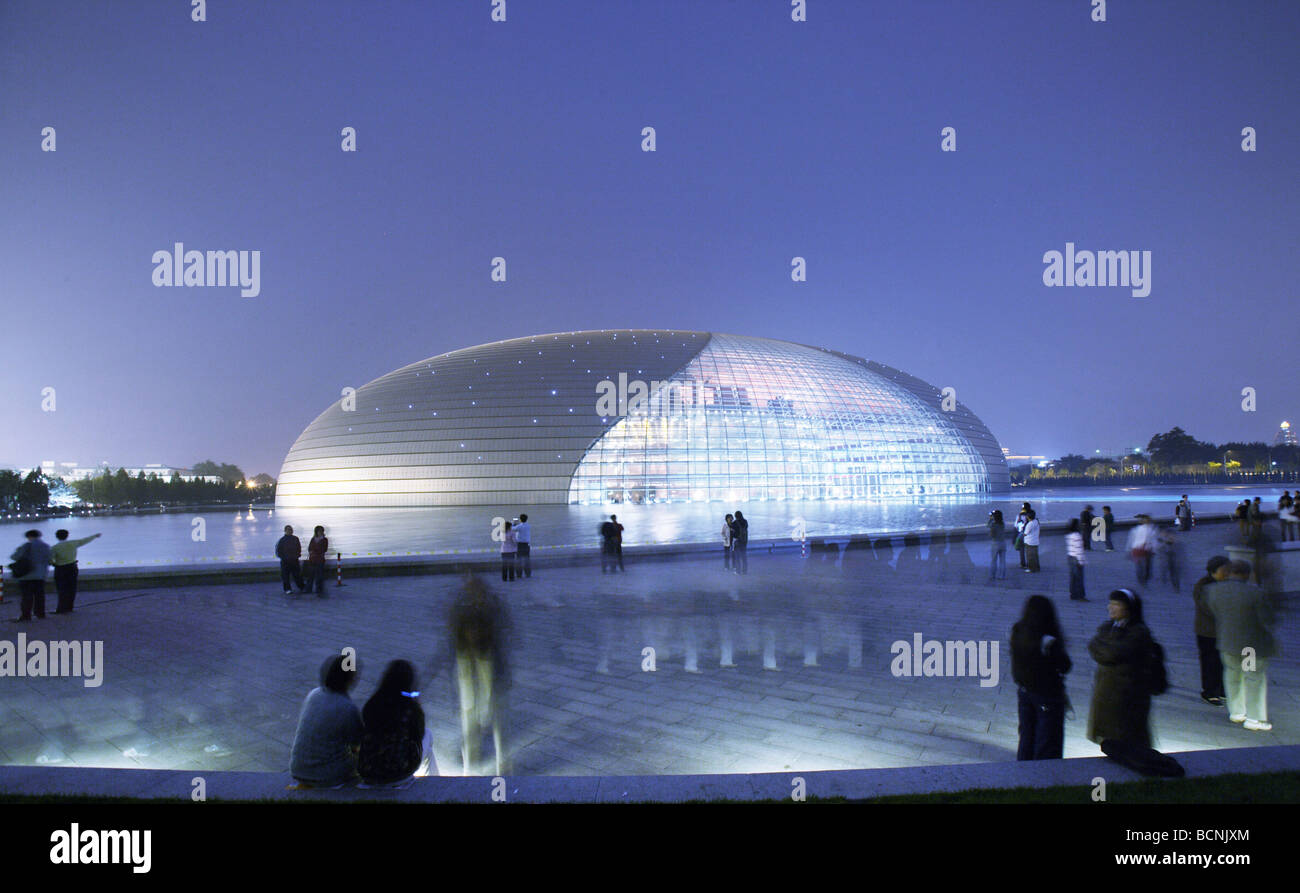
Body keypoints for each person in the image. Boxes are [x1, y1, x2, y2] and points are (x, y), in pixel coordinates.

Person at [1204, 560, 1278, 731]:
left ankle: (1237, 712)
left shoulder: (1213, 591)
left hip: (1227, 642)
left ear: (1230, 572)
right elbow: (1268, 619)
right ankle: (1254, 718)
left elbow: (1213, 612)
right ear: (1247, 574)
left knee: (1232, 675)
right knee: (1252, 678)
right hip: (1249, 646)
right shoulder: (1255, 593)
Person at [449, 575, 510, 774]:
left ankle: (495, 761)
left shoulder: (476, 610)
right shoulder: (474, 609)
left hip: (484, 660)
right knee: (475, 715)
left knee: (490, 715)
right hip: (475, 659)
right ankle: (479, 761)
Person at [1087, 590, 1155, 749]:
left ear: (1129, 608)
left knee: (1127, 737)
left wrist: (1103, 647)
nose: (1111, 607)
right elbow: (1093, 646)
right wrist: (1103, 648)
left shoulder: (1138, 632)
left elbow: (1111, 653)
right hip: (1107, 691)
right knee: (1110, 736)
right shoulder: (1108, 626)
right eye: (1110, 603)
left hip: (1127, 694)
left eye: (1116, 604)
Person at [289, 654, 364, 788]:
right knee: (366, 758)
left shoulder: (314, 694)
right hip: (326, 774)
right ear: (349, 680)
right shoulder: (346, 707)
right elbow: (357, 741)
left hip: (298, 769)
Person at [1010, 595, 1072, 760]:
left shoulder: (1017, 630)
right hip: (1047, 695)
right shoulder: (1047, 640)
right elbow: (1065, 665)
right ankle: (1043, 778)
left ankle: (1024, 770)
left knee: (1026, 734)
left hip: (1024, 691)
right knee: (1047, 740)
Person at [358, 659, 435, 787]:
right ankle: (432, 781)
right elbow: (418, 735)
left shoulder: (373, 703)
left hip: (368, 771)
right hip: (398, 774)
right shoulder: (410, 708)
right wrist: (417, 704)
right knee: (428, 735)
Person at [1191, 556, 1230, 705]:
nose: (1227, 573)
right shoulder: (1204, 585)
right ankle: (1209, 691)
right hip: (1207, 631)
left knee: (1222, 661)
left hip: (1224, 631)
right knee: (1209, 661)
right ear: (1214, 570)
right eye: (1224, 570)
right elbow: (1206, 607)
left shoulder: (1227, 584)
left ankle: (1221, 689)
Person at [50, 529, 102, 614]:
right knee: (72, 588)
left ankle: (61, 608)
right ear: (67, 536)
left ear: (57, 537)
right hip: (72, 567)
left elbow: (50, 559)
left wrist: (53, 564)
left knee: (61, 589)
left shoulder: (54, 548)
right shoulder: (73, 543)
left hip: (60, 569)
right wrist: (95, 536)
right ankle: (70, 607)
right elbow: (85, 540)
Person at [9, 530, 52, 622]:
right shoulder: (46, 546)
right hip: (41, 575)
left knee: (26, 596)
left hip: (26, 576)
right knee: (39, 595)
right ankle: (40, 613)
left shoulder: (26, 546)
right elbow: (50, 559)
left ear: (29, 537)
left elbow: (14, 557)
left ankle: (26, 615)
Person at [275, 525, 307, 596]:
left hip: (293, 560)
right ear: (285, 531)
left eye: (291, 529)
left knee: (297, 575)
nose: (290, 531)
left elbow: (299, 548)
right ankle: (288, 589)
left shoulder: (295, 539)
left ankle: (301, 587)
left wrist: (297, 555)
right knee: (286, 576)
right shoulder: (282, 540)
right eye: (289, 530)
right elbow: (278, 551)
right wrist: (284, 557)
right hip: (286, 561)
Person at [1126, 514, 1157, 588]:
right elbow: (1154, 540)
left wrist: (1128, 549)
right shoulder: (1151, 529)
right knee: (1145, 566)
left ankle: (1142, 579)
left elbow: (1131, 540)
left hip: (1140, 549)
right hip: (1142, 549)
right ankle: (1143, 579)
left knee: (1142, 566)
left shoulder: (1136, 529)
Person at [1065, 518, 1086, 600]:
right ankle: (1081, 595)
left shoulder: (1069, 535)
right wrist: (1081, 561)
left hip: (1070, 557)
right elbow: (1079, 550)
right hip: (1076, 558)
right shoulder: (1077, 536)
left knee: (1073, 578)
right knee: (1079, 578)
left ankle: (1073, 594)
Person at [1156, 526, 1181, 592]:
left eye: (1164, 532)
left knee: (1173, 573)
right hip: (1166, 558)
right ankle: (1167, 582)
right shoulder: (1160, 539)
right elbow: (1159, 548)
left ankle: (1175, 587)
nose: (1163, 533)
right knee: (1167, 571)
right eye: (1162, 532)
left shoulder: (1170, 537)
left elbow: (1175, 545)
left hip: (1171, 558)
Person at [306, 526, 329, 596]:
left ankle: (319, 589)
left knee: (319, 575)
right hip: (312, 560)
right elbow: (309, 548)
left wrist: (314, 551)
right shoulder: (313, 539)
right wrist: (312, 551)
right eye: (319, 531)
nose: (320, 532)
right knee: (310, 576)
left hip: (320, 560)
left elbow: (324, 549)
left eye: (321, 531)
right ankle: (308, 589)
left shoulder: (325, 540)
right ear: (316, 532)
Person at [987, 510, 1007, 581]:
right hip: (1003, 543)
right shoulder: (1003, 524)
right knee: (1002, 561)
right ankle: (1002, 576)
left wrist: (990, 518)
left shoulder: (993, 525)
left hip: (995, 543)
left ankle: (992, 575)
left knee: (994, 560)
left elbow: (989, 530)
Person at [1021, 509, 1040, 573]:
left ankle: (1031, 568)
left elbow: (1025, 533)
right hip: (1035, 541)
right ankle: (1037, 567)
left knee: (1030, 556)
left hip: (1029, 542)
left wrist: (1022, 530)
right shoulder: (1036, 521)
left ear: (1028, 516)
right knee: (1035, 556)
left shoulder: (1029, 524)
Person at [514, 513, 532, 578]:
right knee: (527, 559)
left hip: (520, 545)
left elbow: (512, 529)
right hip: (527, 545)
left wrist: (514, 523)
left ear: (520, 519)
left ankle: (519, 574)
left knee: (519, 560)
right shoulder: (528, 526)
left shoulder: (519, 526)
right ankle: (528, 573)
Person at [1015, 503, 1031, 568]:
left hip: (1021, 534)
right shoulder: (1031, 515)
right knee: (1028, 549)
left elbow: (1016, 525)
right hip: (1029, 534)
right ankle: (1029, 563)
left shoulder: (1019, 515)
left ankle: (1022, 563)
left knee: (1021, 550)